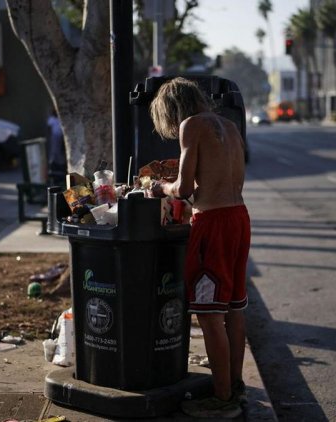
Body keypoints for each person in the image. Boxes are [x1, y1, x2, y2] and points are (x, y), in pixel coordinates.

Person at [149, 77, 250, 419]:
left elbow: (184, 186)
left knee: (209, 315)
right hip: (239, 218)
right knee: (234, 309)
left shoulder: (191, 126)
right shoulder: (230, 127)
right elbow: (230, 180)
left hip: (213, 226)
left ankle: (221, 397)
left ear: (173, 109)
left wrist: (157, 187)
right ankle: (235, 385)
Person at [46, 109, 67, 186]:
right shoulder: (51, 119)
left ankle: (60, 164)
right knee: (54, 151)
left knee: (59, 152)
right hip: (54, 137)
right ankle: (54, 164)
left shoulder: (60, 119)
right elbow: (49, 129)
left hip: (61, 137)